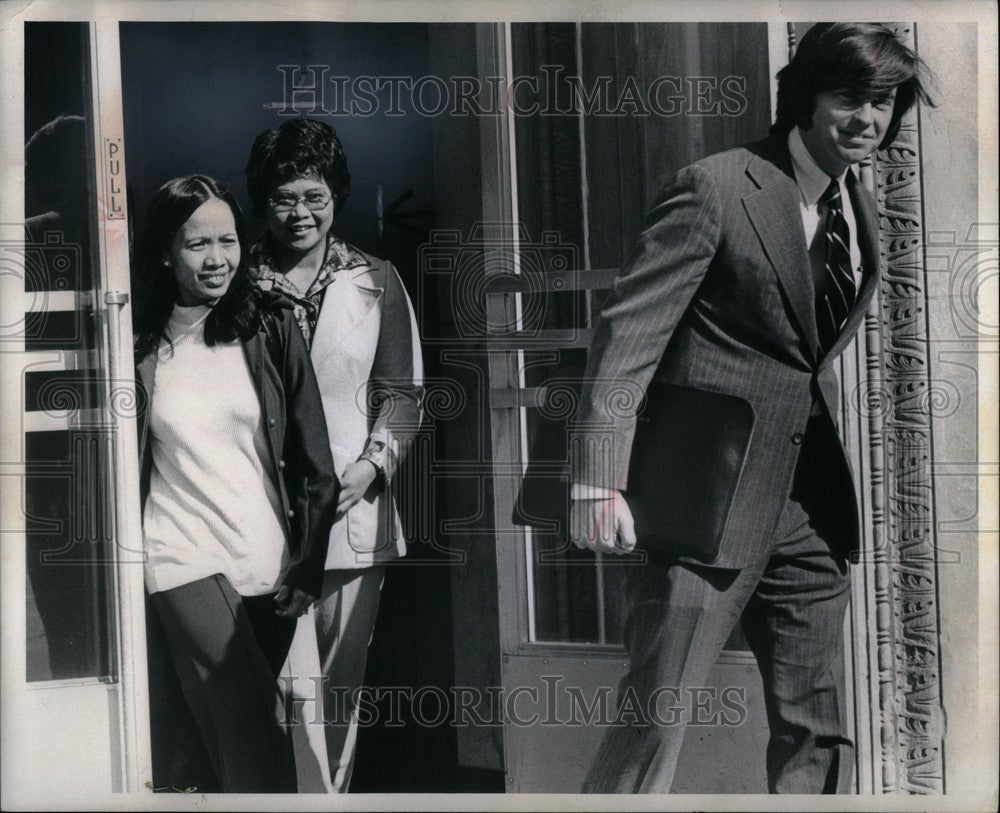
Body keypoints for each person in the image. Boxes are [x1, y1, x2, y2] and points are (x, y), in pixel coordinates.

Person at [569, 23, 934, 793]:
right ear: (806, 96)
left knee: (817, 728)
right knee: (656, 717)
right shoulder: (719, 186)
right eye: (849, 97)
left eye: (884, 102)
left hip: (809, 511)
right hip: (708, 502)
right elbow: (627, 335)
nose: (868, 118)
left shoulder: (857, 207)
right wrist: (598, 477)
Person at [133, 174, 339, 793]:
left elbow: (314, 463)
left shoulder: (271, 326)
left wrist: (306, 567)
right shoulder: (137, 341)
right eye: (198, 244)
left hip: (266, 567)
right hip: (181, 556)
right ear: (167, 251)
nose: (217, 258)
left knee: (213, 748)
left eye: (228, 240)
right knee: (254, 734)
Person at [245, 118, 423, 791]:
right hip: (264, 511)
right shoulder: (238, 282)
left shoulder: (376, 278)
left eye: (314, 197)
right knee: (287, 688)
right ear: (264, 200)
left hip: (353, 513)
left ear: (336, 197)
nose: (300, 214)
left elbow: (402, 393)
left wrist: (372, 464)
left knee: (342, 683)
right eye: (285, 198)